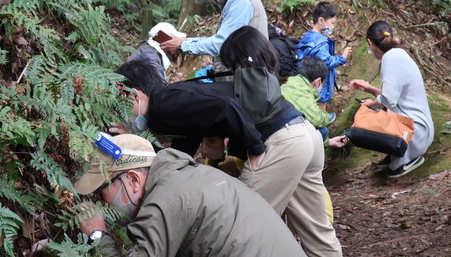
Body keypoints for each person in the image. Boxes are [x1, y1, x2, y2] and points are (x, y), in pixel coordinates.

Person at [219, 26, 342, 257]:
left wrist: (248, 152)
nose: (231, 71)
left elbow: (247, 122)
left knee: (242, 225)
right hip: (306, 135)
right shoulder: (271, 73)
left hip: (286, 142)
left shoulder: (250, 78)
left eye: (231, 64)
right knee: (317, 230)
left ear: (241, 60)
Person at [74, 133, 306, 256]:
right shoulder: (188, 175)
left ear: (133, 179)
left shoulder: (164, 203)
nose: (100, 202)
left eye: (101, 191)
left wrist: (97, 234)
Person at [112, 59, 266, 165]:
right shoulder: (168, 104)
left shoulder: (164, 106)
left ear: (134, 95)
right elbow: (179, 156)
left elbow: (226, 106)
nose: (124, 115)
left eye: (121, 103)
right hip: (272, 132)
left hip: (272, 133)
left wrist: (257, 151)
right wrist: (133, 143)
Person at [349, 21, 434, 178]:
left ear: (370, 43)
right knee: (373, 110)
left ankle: (407, 156)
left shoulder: (390, 58)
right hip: (420, 128)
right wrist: (371, 93)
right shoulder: (398, 54)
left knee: (363, 123)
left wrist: (370, 98)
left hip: (415, 131)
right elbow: (396, 96)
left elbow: (389, 100)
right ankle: (396, 153)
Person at [281, 56, 348, 148]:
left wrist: (329, 142)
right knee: (323, 131)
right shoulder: (302, 92)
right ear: (318, 82)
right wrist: (326, 117)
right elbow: (318, 120)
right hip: (286, 139)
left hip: (282, 131)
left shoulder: (291, 83)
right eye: (323, 83)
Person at [297, 2, 352, 104]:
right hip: (319, 86)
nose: (333, 27)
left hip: (307, 82)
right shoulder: (321, 43)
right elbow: (327, 62)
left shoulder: (308, 37)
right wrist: (342, 57)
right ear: (321, 21)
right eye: (332, 23)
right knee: (319, 104)